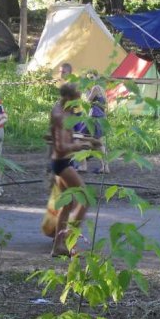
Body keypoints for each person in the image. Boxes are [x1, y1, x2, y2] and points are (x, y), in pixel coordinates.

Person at [49, 83, 97, 257]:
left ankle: (58, 247)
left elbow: (56, 137)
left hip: (59, 162)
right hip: (62, 163)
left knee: (67, 205)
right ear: (69, 98)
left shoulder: (59, 110)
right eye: (76, 99)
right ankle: (70, 241)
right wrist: (80, 146)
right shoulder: (61, 116)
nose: (78, 102)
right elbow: (62, 146)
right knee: (85, 199)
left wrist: (83, 140)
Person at [78, 70, 109, 174]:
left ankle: (84, 166)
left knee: (81, 140)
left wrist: (86, 91)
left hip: (94, 118)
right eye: (88, 78)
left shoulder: (95, 88)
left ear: (96, 78)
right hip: (99, 118)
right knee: (98, 144)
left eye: (92, 77)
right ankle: (105, 167)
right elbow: (105, 106)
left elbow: (87, 102)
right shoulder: (102, 89)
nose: (89, 79)